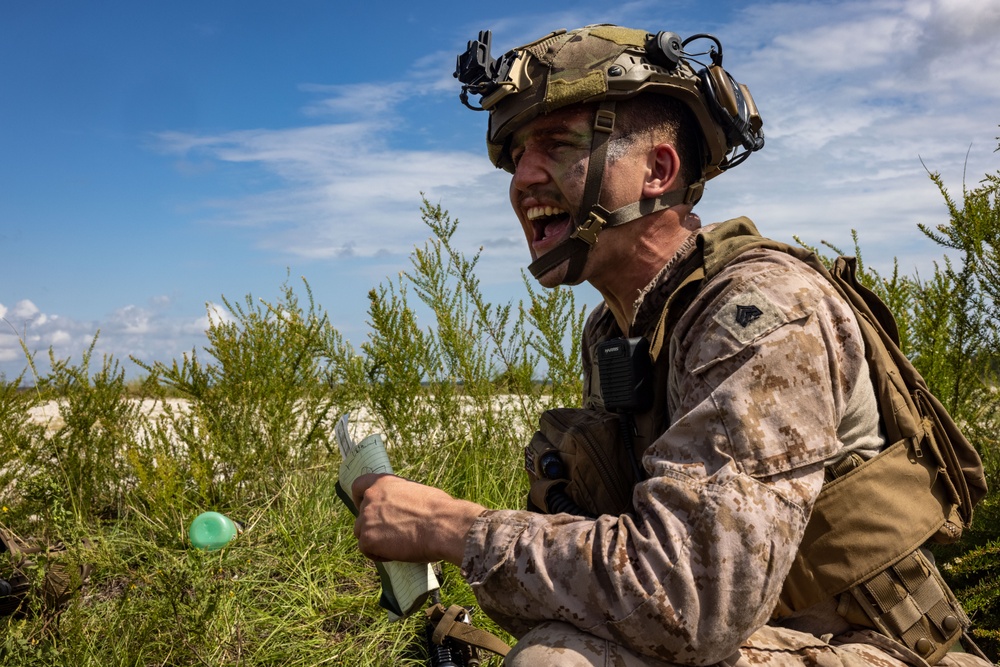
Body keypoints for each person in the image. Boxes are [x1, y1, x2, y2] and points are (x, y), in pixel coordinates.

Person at [351, 24, 992, 666]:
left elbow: (688, 599)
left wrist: (449, 527)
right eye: (517, 155)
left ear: (658, 170)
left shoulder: (763, 312)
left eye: (556, 145)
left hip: (871, 647)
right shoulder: (620, 329)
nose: (523, 180)